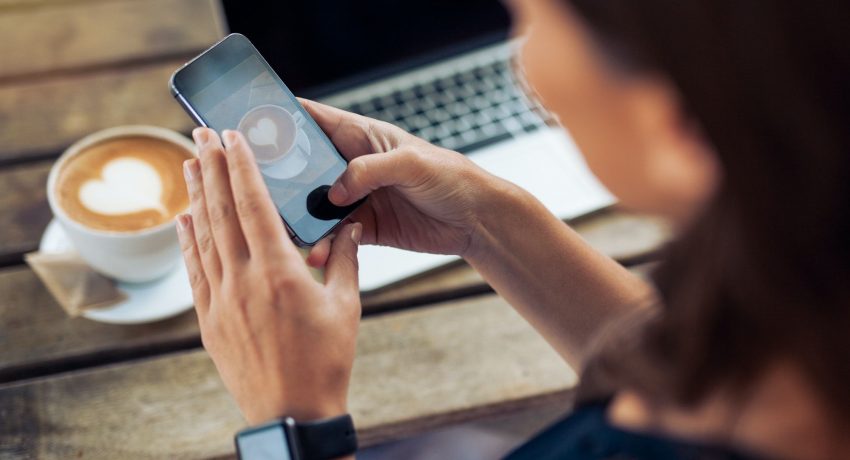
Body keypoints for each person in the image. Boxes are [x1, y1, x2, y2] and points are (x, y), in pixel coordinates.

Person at [175, 0, 850, 458]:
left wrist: (291, 422)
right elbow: (698, 372)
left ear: (675, 129)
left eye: (532, 18)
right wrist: (485, 221)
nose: (525, 66)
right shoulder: (803, 300)